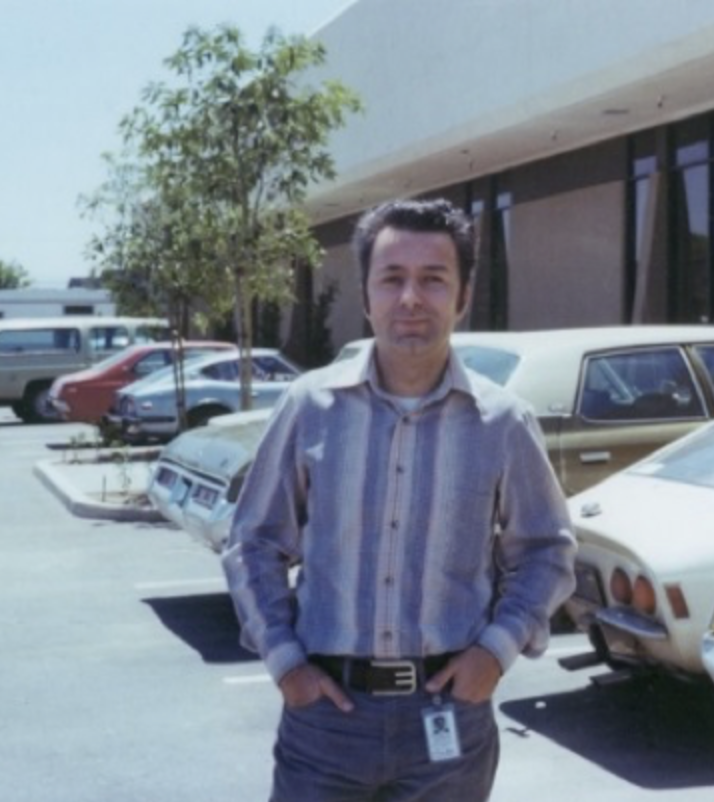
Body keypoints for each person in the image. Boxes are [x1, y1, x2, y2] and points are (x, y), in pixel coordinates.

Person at [222, 197, 577, 802]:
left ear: (462, 297)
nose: (411, 298)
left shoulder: (502, 422)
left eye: (433, 279)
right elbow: (253, 542)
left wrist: (495, 653)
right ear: (366, 296)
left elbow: (547, 549)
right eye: (392, 279)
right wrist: (286, 664)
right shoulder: (309, 407)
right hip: (326, 723)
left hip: (449, 720)